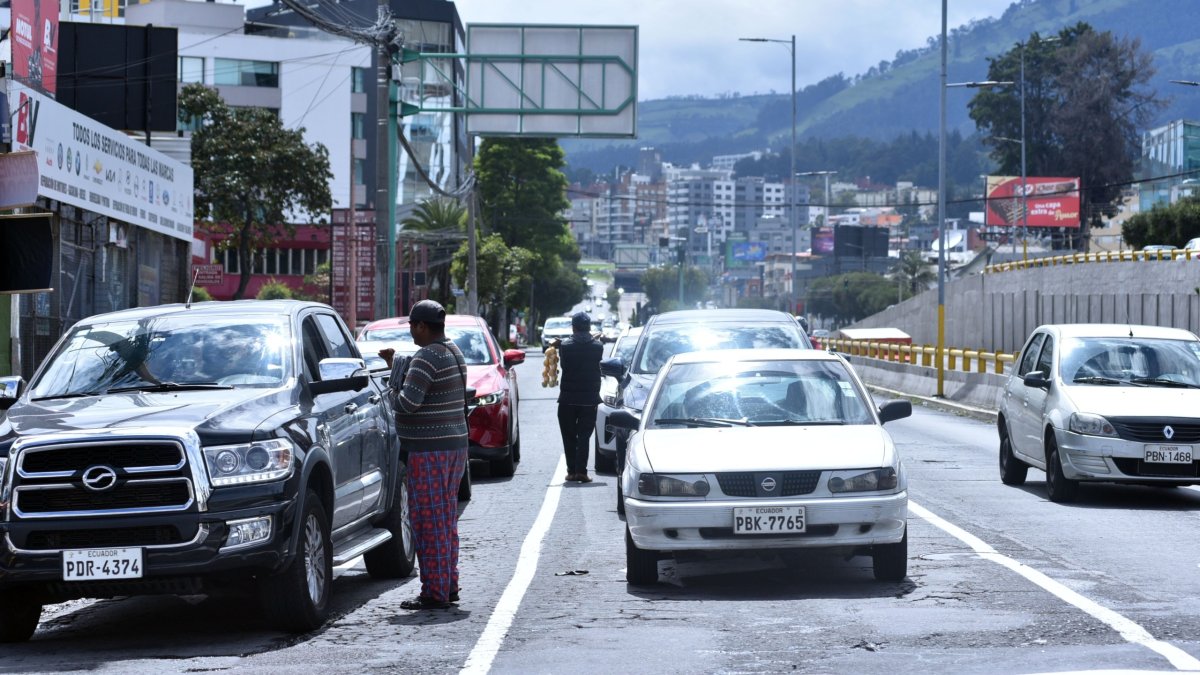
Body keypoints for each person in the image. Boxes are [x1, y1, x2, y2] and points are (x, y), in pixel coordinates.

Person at [379, 300, 468, 611]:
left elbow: (406, 404)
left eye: (412, 326)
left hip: (430, 451)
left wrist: (392, 383)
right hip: (453, 448)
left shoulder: (427, 356)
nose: (411, 331)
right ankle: (448, 585)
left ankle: (434, 592)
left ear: (421, 326)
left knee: (427, 522)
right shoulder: (452, 351)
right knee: (444, 520)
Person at [555, 311, 604, 483]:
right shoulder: (598, 347)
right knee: (584, 436)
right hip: (589, 400)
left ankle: (571, 471)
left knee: (569, 436)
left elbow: (564, 364)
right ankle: (581, 471)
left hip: (567, 399)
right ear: (589, 327)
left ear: (573, 327)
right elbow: (591, 346)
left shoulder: (565, 346)